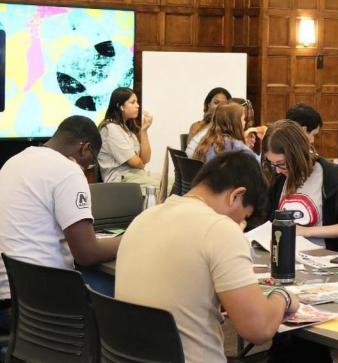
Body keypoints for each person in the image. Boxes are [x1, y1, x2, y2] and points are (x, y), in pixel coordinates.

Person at [115, 152, 299, 363]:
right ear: (236, 195)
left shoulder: (143, 219)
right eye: (244, 217)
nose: (241, 224)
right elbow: (259, 329)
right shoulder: (219, 229)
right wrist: (283, 297)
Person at [0, 116, 121, 327]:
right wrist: (133, 239)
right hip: (39, 304)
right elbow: (87, 254)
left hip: (10, 295)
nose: (87, 168)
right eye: (90, 162)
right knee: (120, 291)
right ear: (85, 148)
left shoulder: (14, 161)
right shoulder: (67, 170)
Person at [260, 119, 338, 253]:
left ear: (296, 155)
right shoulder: (279, 177)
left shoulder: (329, 174)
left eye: (281, 163)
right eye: (272, 163)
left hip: (322, 260)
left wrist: (306, 231)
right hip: (285, 255)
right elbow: (266, 219)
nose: (277, 170)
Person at [97, 87, 157, 186]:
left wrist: (144, 131)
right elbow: (136, 163)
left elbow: (145, 159)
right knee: (166, 186)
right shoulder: (111, 129)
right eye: (133, 102)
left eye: (137, 102)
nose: (138, 106)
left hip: (134, 175)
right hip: (120, 180)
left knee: (171, 182)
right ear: (120, 106)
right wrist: (141, 163)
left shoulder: (125, 127)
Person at [191, 103, 258, 163]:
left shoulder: (207, 141)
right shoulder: (235, 146)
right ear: (235, 123)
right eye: (243, 119)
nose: (245, 122)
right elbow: (256, 164)